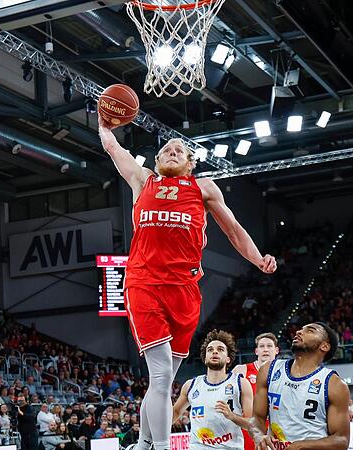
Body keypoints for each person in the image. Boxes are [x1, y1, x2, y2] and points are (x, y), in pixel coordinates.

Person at [99, 112, 277, 450]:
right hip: (143, 283)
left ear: (190, 164)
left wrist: (258, 258)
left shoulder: (203, 188)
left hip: (185, 290)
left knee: (161, 381)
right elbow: (113, 149)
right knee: (163, 374)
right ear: (156, 159)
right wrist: (104, 124)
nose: (172, 151)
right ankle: (162, 447)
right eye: (166, 149)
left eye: (179, 150)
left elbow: (234, 230)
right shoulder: (144, 180)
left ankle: (144, 443)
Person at [250, 322, 350, 450]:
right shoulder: (269, 370)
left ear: (324, 346)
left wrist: (301, 446)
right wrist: (258, 435)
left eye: (310, 330)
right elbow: (257, 418)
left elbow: (342, 440)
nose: (298, 332)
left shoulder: (334, 384)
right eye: (301, 329)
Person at [172, 330, 253, 450]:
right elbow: (175, 412)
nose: (214, 351)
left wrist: (232, 416)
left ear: (228, 359)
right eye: (210, 350)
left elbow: (252, 425)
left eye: (220, 349)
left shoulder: (240, 383)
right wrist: (153, 433)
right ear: (205, 359)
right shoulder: (191, 385)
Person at [232, 332, 279, 450]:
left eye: (269, 346)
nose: (266, 349)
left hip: (276, 429)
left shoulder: (284, 374)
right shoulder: (242, 370)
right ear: (256, 351)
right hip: (249, 429)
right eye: (262, 346)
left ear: (276, 350)